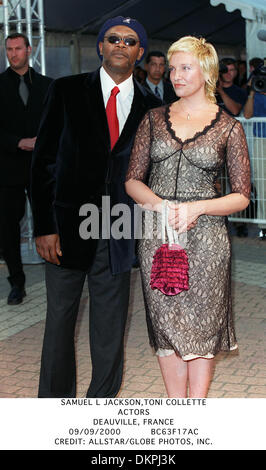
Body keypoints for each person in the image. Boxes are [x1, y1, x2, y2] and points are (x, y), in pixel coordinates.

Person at [31, 16, 161, 398]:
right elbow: (43, 162)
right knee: (59, 321)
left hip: (119, 229)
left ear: (139, 53)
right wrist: (43, 225)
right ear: (100, 47)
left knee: (109, 327)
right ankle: (53, 406)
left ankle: (100, 405)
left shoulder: (154, 108)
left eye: (131, 40)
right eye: (113, 38)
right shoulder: (66, 90)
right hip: (65, 228)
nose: (121, 44)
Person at [125, 36, 251, 398]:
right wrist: (160, 206)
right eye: (172, 67)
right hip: (158, 234)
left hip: (207, 237)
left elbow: (242, 195)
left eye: (184, 67)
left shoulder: (229, 127)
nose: (174, 75)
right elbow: (132, 179)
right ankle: (175, 410)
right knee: (165, 321)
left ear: (206, 71)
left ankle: (194, 413)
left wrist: (197, 207)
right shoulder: (152, 119)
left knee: (202, 321)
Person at [0, 33, 52, 305]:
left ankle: (56, 275)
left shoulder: (47, 86)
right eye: (9, 49)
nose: (13, 53)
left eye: (18, 48)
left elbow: (57, 125)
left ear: (29, 50)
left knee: (48, 221)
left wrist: (40, 143)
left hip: (41, 167)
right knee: (8, 228)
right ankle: (16, 283)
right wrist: (18, 142)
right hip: (7, 169)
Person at [244, 64, 266, 240]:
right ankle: (263, 225)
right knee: (261, 183)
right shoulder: (255, 93)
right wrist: (252, 91)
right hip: (260, 140)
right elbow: (248, 114)